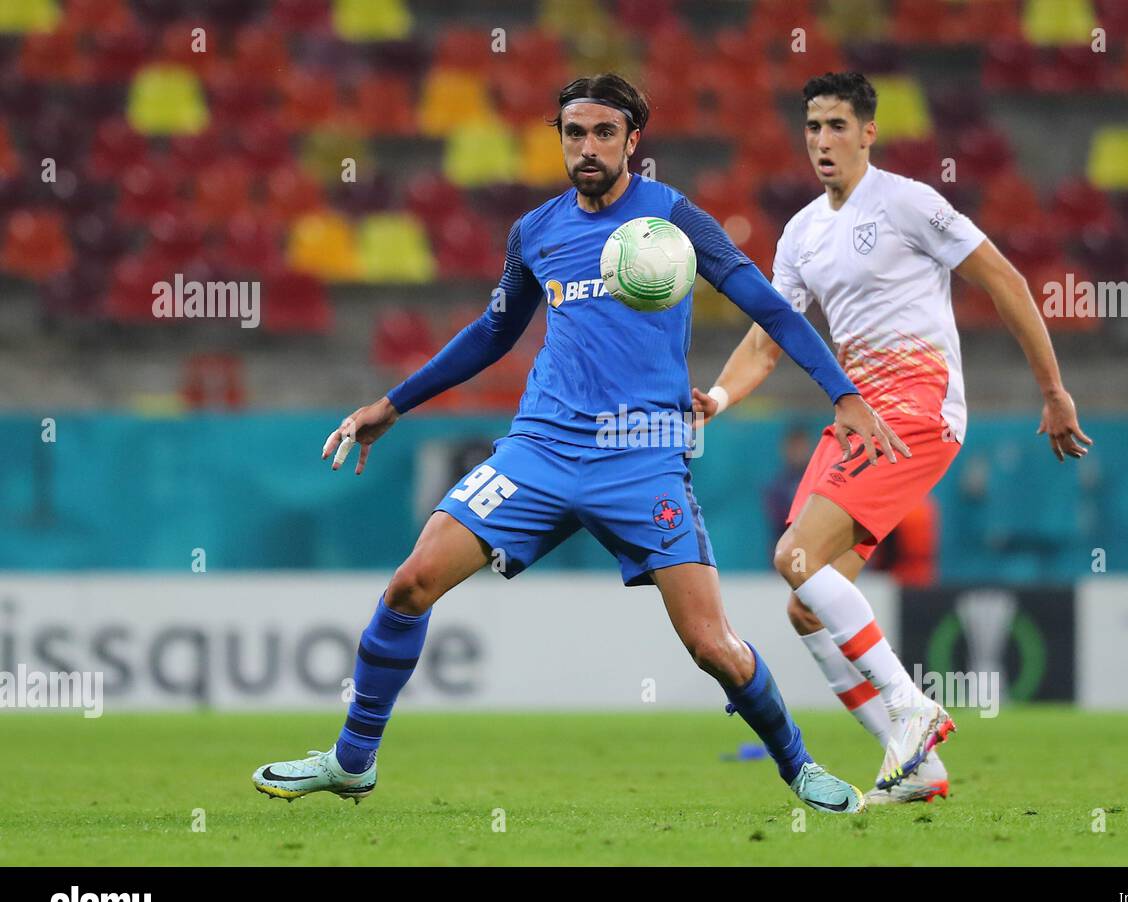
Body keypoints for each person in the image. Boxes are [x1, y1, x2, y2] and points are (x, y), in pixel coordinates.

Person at [252, 73, 907, 815]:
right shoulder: (536, 232)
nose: (587, 148)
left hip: (643, 455)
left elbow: (772, 309)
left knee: (711, 645)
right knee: (410, 583)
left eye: (603, 133)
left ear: (634, 141)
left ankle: (798, 767)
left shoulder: (675, 220)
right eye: (573, 133)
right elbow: (494, 332)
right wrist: (393, 404)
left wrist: (844, 392)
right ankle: (351, 761)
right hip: (540, 450)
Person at [694, 72, 1091, 800]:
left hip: (919, 406)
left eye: (838, 126)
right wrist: (716, 397)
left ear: (869, 132)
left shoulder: (909, 202)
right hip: (857, 414)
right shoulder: (803, 233)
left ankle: (912, 706)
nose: (822, 141)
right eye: (812, 126)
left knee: (795, 554)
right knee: (806, 601)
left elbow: (1002, 279)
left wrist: (1054, 390)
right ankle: (915, 766)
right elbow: (766, 341)